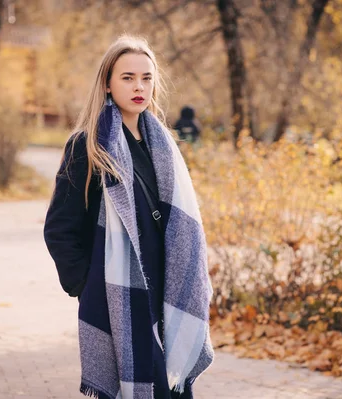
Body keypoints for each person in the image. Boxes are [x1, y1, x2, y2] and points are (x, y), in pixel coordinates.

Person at [43, 34, 214, 399]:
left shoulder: (163, 146)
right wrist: (87, 285)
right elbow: (59, 229)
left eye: (147, 78)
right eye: (127, 77)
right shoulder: (88, 145)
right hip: (119, 295)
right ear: (107, 82)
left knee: (173, 389)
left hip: (167, 293)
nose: (139, 86)